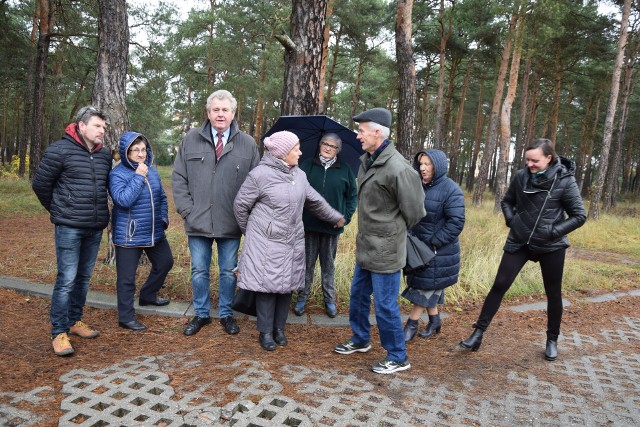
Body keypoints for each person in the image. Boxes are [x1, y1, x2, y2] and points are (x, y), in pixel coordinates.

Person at [459, 138, 586, 361]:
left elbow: (579, 216)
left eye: (535, 160)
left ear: (549, 158)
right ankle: (477, 333)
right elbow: (507, 201)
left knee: (553, 293)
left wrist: (552, 231)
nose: (530, 164)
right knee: (499, 285)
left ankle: (552, 340)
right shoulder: (521, 176)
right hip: (520, 241)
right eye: (527, 160)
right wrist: (511, 220)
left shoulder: (565, 181)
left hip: (551, 245)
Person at [333, 108, 426, 374]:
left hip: (386, 250)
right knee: (358, 296)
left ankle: (398, 356)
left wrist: (389, 231)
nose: (357, 135)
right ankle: (361, 339)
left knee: (385, 304)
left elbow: (415, 212)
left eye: (361, 131)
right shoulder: (368, 160)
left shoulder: (398, 168)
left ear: (377, 132)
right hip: (366, 247)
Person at [233, 131, 345, 351]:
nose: (300, 153)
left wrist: (335, 217)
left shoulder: (299, 175)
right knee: (266, 288)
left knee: (286, 287)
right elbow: (240, 206)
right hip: (266, 243)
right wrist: (254, 233)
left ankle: (279, 329)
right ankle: (265, 332)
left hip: (292, 241)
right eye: (296, 149)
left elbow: (314, 201)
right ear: (283, 153)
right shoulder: (260, 175)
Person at [172, 89, 260, 337]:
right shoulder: (190, 139)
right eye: (216, 110)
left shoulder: (248, 144)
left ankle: (226, 314)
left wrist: (245, 215)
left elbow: (256, 183)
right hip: (197, 221)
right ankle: (201, 313)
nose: (220, 114)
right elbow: (178, 178)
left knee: (228, 270)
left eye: (225, 110)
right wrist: (187, 211)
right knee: (199, 270)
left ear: (233, 114)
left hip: (230, 223)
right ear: (208, 113)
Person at [32, 106, 112, 356]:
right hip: (69, 227)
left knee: (83, 278)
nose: (102, 131)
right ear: (81, 126)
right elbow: (41, 184)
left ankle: (75, 321)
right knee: (66, 279)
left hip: (94, 226)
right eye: (98, 126)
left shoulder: (104, 155)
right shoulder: (59, 150)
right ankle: (58, 332)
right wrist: (60, 210)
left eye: (104, 127)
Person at [109, 132, 174, 332]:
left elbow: (162, 197)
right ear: (126, 152)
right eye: (135, 150)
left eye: (143, 150)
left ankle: (148, 295)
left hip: (153, 230)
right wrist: (138, 176)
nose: (140, 154)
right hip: (129, 233)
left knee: (165, 262)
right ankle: (126, 317)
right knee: (127, 278)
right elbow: (123, 200)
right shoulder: (117, 174)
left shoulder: (152, 171)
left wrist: (163, 219)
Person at [402, 149, 465, 342]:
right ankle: (435, 319)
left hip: (438, 250)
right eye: (421, 164)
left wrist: (434, 242)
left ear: (437, 166)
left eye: (427, 164)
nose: (423, 168)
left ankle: (411, 324)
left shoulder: (451, 190)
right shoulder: (419, 186)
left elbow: (456, 222)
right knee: (429, 284)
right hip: (417, 248)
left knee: (425, 288)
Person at [294, 133, 357, 318]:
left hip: (332, 228)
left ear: (338, 150)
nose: (328, 148)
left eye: (333, 146)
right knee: (306, 265)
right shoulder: (306, 165)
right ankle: (301, 298)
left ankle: (329, 300)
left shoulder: (345, 170)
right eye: (325, 144)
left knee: (328, 266)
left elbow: (352, 197)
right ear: (320, 145)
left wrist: (345, 217)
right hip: (308, 226)